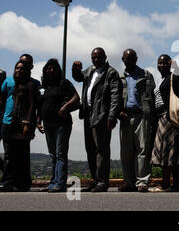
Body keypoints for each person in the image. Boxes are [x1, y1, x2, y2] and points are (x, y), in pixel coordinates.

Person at [72, 47, 122, 192]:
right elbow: (78, 77)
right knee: (90, 150)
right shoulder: (90, 70)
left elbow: (115, 96)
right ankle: (95, 180)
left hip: (102, 116)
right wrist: (75, 69)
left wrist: (112, 116)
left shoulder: (111, 73)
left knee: (101, 150)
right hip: (88, 114)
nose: (96, 60)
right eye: (93, 57)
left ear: (105, 57)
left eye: (99, 57)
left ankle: (102, 182)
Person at [36, 59, 80, 192]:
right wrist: (38, 122)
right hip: (48, 123)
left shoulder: (63, 83)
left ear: (58, 70)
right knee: (52, 154)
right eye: (48, 68)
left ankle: (60, 183)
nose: (51, 70)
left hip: (62, 123)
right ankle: (53, 182)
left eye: (54, 68)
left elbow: (76, 97)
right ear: (45, 70)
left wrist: (66, 106)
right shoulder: (42, 87)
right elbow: (40, 106)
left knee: (60, 153)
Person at [118, 49, 156, 193]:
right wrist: (117, 112)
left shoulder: (146, 75)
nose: (130, 61)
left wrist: (152, 116)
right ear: (123, 59)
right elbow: (114, 97)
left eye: (133, 58)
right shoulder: (119, 77)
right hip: (125, 117)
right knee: (126, 152)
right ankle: (129, 182)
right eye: (127, 59)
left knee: (143, 149)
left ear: (137, 59)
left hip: (142, 116)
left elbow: (153, 95)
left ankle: (142, 182)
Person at [150, 55, 179, 192]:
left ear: (169, 63)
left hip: (170, 118)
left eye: (164, 63)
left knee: (172, 152)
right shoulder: (161, 80)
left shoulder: (174, 77)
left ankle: (169, 184)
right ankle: (171, 183)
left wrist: (176, 68)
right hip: (162, 119)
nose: (161, 65)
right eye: (159, 63)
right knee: (165, 153)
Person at [0, 60, 36, 192]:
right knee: (9, 155)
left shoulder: (30, 85)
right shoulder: (10, 83)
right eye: (17, 68)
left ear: (27, 71)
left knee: (22, 155)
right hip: (8, 122)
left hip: (22, 124)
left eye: (22, 69)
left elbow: (32, 105)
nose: (19, 71)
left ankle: (23, 183)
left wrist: (28, 124)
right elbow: (2, 98)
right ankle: (8, 182)